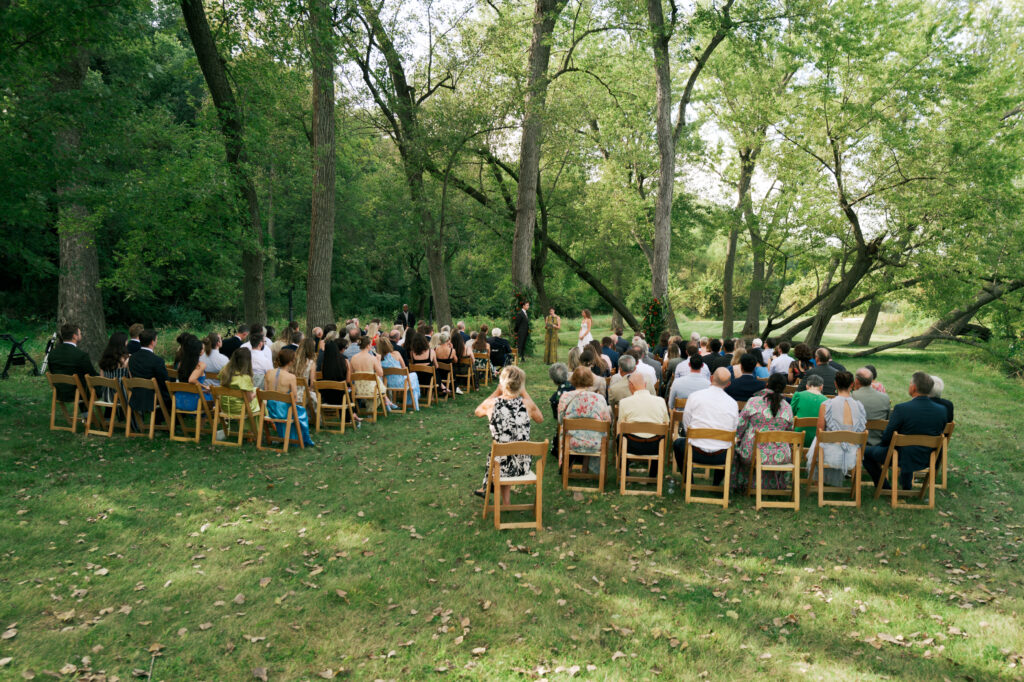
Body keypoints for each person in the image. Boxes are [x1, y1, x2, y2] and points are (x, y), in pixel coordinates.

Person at [862, 372, 948, 490]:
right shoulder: (942, 410)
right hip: (928, 457)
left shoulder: (902, 409)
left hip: (900, 456)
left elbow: (887, 437)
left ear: (913, 388)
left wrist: (882, 446)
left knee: (864, 452)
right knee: (904, 449)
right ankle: (906, 486)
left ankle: (884, 487)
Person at [473, 365, 544, 506]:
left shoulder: (491, 404)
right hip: (523, 465)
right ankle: (506, 502)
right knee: (509, 451)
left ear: (502, 383)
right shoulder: (527, 404)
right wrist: (524, 393)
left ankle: (487, 489)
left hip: (500, 465)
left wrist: (496, 392)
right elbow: (540, 418)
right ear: (520, 384)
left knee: (501, 453)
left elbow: (477, 411)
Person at [674, 368, 739, 486]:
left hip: (695, 451)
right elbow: (734, 429)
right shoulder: (733, 403)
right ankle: (716, 483)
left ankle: (688, 481)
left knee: (678, 443)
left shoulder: (694, 397)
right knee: (732, 446)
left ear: (711, 378)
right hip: (722, 455)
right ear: (728, 384)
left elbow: (686, 423)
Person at [734, 373, 794, 490]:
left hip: (753, 453)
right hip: (781, 455)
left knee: (736, 448)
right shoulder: (787, 407)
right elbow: (790, 433)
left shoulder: (753, 402)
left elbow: (739, 426)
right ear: (784, 388)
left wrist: (738, 440)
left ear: (767, 385)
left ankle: (742, 482)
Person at [807, 371, 866, 486]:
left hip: (829, 455)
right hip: (852, 456)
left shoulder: (826, 405)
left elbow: (819, 432)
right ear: (852, 385)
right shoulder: (859, 406)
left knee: (819, 440)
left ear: (835, 384)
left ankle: (817, 481)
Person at [557, 367, 612, 475]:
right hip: (595, 443)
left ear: (573, 379)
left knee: (569, 430)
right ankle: (585, 468)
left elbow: (560, 420)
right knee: (591, 432)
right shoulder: (599, 398)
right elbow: (607, 421)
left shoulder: (565, 397)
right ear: (590, 380)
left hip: (571, 441)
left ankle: (567, 467)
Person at [618, 371, 670, 477]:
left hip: (631, 445)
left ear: (630, 385)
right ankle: (653, 475)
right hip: (655, 446)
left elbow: (621, 427)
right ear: (645, 385)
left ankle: (624, 472)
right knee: (661, 436)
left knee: (620, 437)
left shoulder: (624, 402)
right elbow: (666, 424)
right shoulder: (660, 401)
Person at [262, 348, 315, 447]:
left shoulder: (268, 373)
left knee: (293, 409)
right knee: (301, 412)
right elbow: (294, 399)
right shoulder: (291, 377)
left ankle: (285, 436)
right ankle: (300, 439)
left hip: (270, 409)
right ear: (291, 362)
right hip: (283, 412)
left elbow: (266, 392)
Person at [48, 323, 98, 402]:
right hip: (79, 393)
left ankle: (86, 413)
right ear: (75, 336)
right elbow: (92, 375)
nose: (81, 335)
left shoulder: (52, 354)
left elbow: (52, 371)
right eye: (80, 333)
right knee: (109, 387)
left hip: (60, 393)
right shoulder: (81, 355)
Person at [127, 329, 170, 416]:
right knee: (169, 392)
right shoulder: (157, 360)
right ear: (152, 342)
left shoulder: (132, 358)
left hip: (136, 395)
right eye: (156, 339)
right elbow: (164, 381)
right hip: (153, 397)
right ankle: (169, 420)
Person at [852, 368, 891, 446]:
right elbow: (887, 421)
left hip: (856, 444)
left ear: (856, 380)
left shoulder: (852, 397)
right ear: (871, 380)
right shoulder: (885, 398)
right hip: (878, 444)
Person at [217, 348, 260, 418]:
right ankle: (254, 428)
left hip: (224, 407)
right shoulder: (245, 378)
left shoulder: (224, 371)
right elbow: (249, 399)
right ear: (248, 361)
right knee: (259, 401)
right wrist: (256, 394)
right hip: (240, 409)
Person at [379, 336, 419, 411]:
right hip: (401, 383)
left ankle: (410, 403)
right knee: (414, 376)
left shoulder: (379, 359)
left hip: (389, 384)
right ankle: (413, 403)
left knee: (412, 380)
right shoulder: (396, 354)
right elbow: (404, 369)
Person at [791, 374, 828, 447]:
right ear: (821, 387)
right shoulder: (826, 401)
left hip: (798, 438)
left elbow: (791, 413)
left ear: (807, 386)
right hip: (817, 439)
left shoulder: (798, 395)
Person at [173, 337, 209, 412]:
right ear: (198, 351)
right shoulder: (201, 365)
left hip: (178, 400)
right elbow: (191, 380)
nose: (204, 350)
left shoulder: (181, 363)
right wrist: (204, 387)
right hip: (195, 401)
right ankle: (202, 423)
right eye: (202, 349)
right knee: (213, 397)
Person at [97, 332, 130, 403]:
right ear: (123, 343)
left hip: (106, 395)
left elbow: (102, 378)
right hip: (122, 396)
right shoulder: (126, 359)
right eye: (127, 341)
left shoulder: (104, 359)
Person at [435, 332, 460, 396]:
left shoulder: (436, 349)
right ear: (447, 340)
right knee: (453, 369)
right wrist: (452, 348)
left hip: (439, 372)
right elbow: (456, 360)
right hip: (448, 372)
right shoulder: (452, 350)